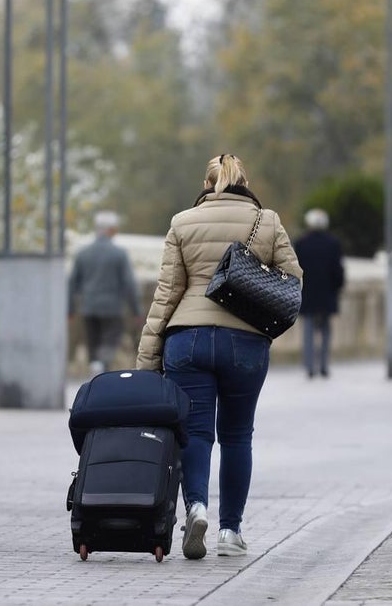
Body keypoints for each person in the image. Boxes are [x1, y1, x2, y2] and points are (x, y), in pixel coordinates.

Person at [136, 154, 302, 560]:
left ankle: (195, 507)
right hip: (244, 342)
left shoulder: (182, 222)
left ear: (207, 184)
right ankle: (231, 531)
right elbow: (293, 280)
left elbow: (166, 294)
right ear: (244, 181)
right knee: (236, 435)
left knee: (194, 433)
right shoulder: (269, 221)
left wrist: (146, 359)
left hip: (187, 339)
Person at [67, 210, 142, 377]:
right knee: (110, 339)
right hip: (112, 308)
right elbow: (129, 283)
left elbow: (72, 283)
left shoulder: (83, 253)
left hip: (89, 307)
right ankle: (102, 365)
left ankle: (95, 367)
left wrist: (70, 309)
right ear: (111, 230)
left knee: (93, 341)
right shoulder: (119, 254)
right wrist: (136, 310)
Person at [293, 208, 345, 378]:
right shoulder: (333, 243)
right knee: (325, 330)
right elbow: (338, 271)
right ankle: (324, 365)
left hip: (307, 293)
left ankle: (309, 366)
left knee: (308, 330)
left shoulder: (301, 243)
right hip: (327, 293)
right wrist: (337, 288)